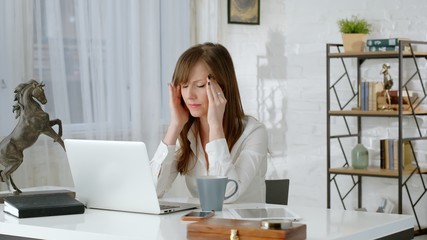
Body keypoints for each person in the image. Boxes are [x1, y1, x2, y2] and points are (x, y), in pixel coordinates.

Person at [150, 42, 268, 203]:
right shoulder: (187, 133)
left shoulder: (254, 133)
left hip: (245, 226)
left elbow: (225, 196)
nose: (189, 95)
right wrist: (175, 126)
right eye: (184, 86)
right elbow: (151, 192)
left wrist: (215, 127)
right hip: (204, 226)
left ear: (223, 88)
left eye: (199, 85)